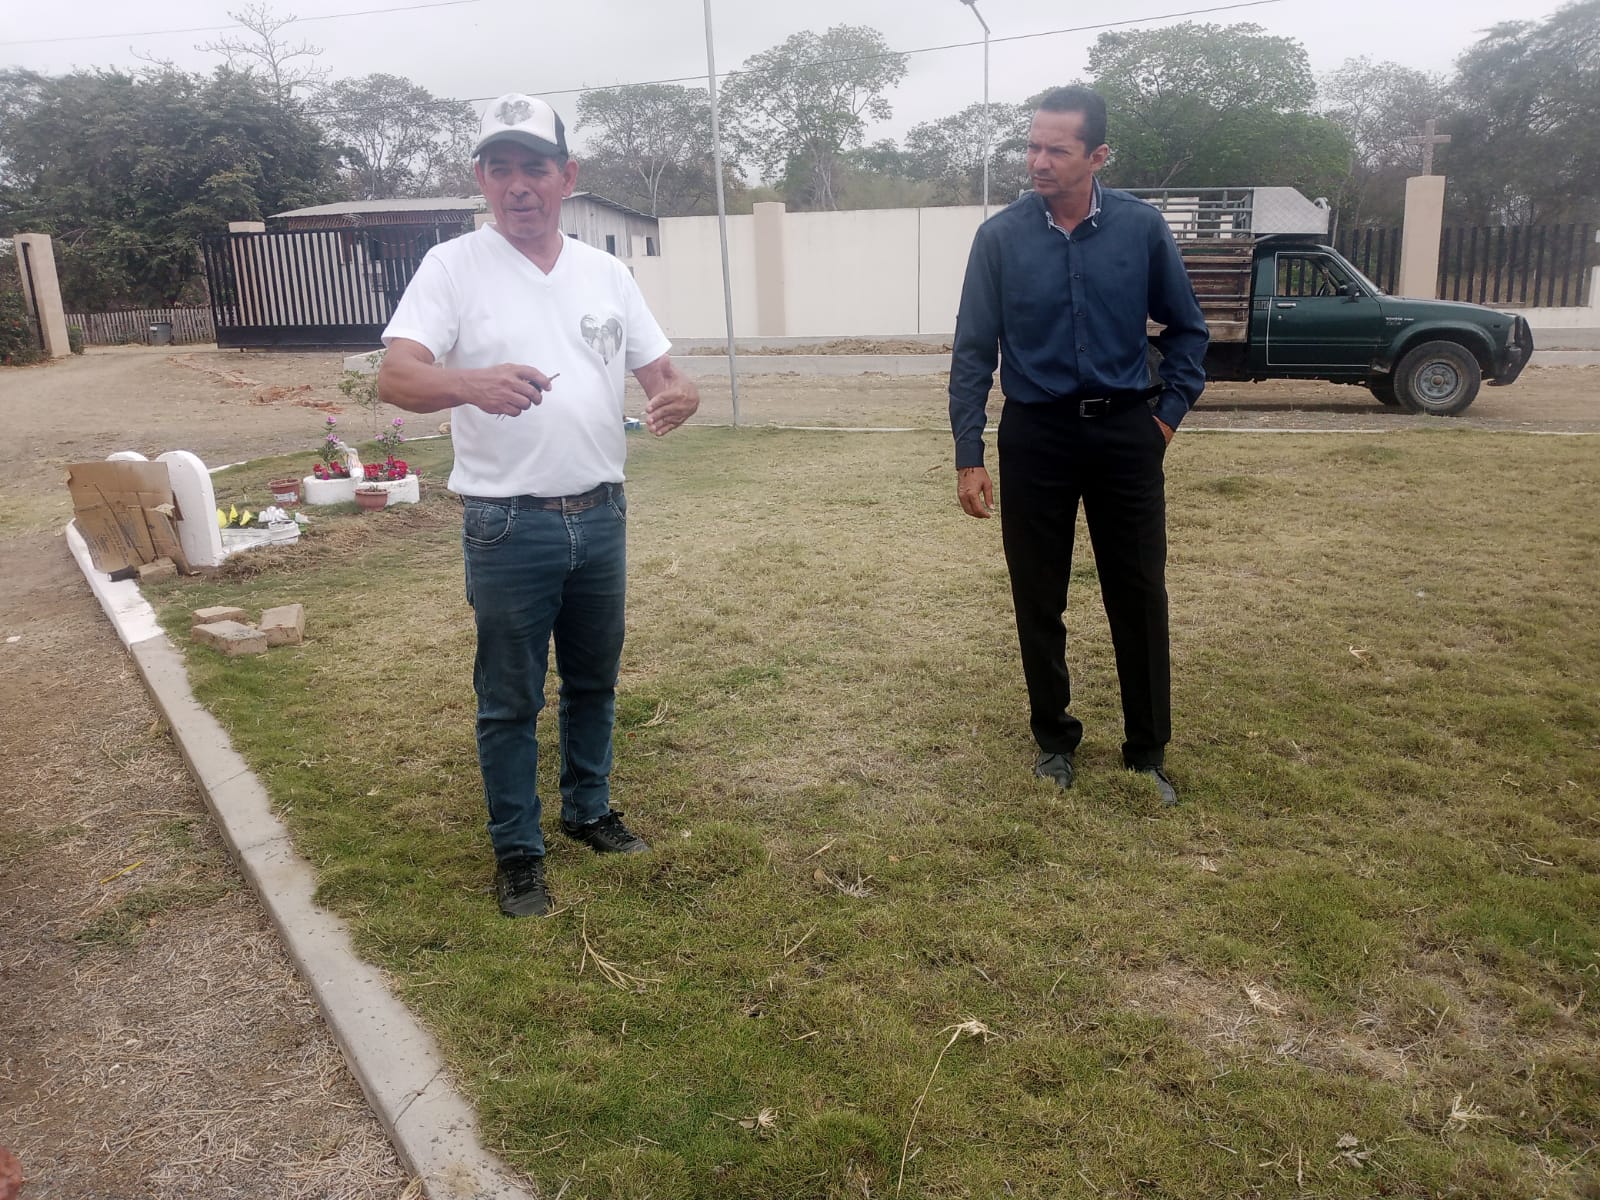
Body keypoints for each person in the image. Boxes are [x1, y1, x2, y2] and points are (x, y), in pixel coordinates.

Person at [377, 93, 699, 917]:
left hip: (601, 511)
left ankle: (588, 809)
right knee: (510, 699)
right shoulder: (452, 267)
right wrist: (469, 383)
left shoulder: (606, 273)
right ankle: (519, 851)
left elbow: (662, 372)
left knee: (594, 680)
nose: (518, 185)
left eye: (535, 167)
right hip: (506, 522)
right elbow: (397, 376)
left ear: (567, 176)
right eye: (501, 169)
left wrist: (681, 394)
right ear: (481, 178)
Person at [947, 85, 1208, 806]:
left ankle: (1146, 751)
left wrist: (1164, 419)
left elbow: (1188, 332)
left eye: (1056, 150)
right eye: (1032, 146)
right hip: (1036, 436)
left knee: (1139, 592)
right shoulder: (1000, 239)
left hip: (1127, 433)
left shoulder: (1140, 229)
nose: (1038, 161)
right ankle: (1054, 741)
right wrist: (970, 453)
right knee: (1038, 594)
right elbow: (973, 352)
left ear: (1097, 156)